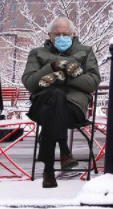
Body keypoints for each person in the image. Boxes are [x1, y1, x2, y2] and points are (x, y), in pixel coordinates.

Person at [22, 16, 100, 188]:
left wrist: (63, 78)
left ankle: (48, 171)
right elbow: (29, 82)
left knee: (53, 105)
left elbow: (93, 82)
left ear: (73, 34)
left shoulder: (85, 52)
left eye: (66, 34)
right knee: (54, 96)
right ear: (50, 35)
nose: (62, 37)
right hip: (41, 104)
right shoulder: (37, 53)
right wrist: (52, 67)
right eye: (58, 34)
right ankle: (64, 151)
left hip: (73, 108)